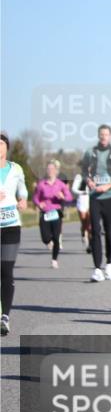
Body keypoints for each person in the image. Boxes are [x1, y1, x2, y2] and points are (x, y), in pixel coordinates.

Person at [79, 125, 111, 282]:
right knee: (95, 231)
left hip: (110, 197)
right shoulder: (90, 152)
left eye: (106, 134)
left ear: (110, 136)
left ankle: (109, 264)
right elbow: (83, 170)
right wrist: (88, 180)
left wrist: (109, 185)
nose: (103, 137)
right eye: (101, 134)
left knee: (108, 232)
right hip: (94, 197)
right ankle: (97, 269)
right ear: (98, 135)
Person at [0, 133, 29, 336]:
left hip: (11, 225)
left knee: (6, 270)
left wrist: (23, 200)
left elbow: (22, 189)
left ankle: (5, 317)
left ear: (7, 147)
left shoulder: (16, 168)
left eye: (1, 144)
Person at [33, 160, 72, 269]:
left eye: (52, 169)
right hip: (45, 212)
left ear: (56, 171)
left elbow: (69, 197)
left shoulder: (60, 184)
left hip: (56, 213)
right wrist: (39, 204)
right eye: (48, 169)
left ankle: (54, 260)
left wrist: (63, 197)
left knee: (56, 237)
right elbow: (35, 197)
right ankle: (48, 241)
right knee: (45, 238)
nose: (50, 171)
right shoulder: (41, 184)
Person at [70, 171, 92, 252]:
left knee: (90, 225)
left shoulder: (95, 175)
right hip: (82, 201)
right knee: (84, 222)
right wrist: (82, 192)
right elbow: (73, 189)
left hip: (91, 201)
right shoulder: (79, 176)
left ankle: (90, 245)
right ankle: (83, 233)